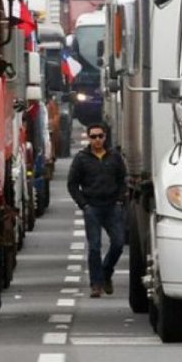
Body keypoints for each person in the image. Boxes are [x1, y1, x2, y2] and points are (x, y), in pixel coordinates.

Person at [67, 123, 127, 298]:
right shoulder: (81, 158)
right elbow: (72, 184)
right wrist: (83, 204)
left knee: (118, 243)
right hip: (92, 207)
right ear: (88, 138)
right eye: (93, 137)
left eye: (100, 136)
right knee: (94, 247)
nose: (97, 140)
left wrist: (119, 200)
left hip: (112, 207)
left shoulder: (114, 157)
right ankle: (96, 284)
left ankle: (106, 272)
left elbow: (123, 179)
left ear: (105, 137)